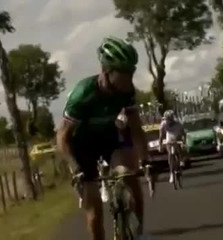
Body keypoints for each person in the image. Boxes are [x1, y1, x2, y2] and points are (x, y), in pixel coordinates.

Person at [56, 36, 150, 240]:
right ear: (106, 72)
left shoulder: (126, 92)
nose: (129, 79)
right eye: (123, 73)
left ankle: (138, 230)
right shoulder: (83, 94)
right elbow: (62, 137)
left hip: (109, 138)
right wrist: (76, 168)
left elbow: (136, 129)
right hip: (81, 146)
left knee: (128, 175)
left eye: (131, 72)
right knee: (94, 212)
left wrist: (145, 160)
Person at [158, 110, 186, 183]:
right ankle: (171, 174)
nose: (167, 121)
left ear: (172, 119)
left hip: (177, 138)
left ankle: (181, 159)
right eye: (166, 120)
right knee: (170, 154)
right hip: (169, 139)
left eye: (169, 120)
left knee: (179, 148)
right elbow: (160, 136)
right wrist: (160, 145)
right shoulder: (163, 124)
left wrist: (184, 142)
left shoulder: (178, 124)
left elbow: (183, 134)